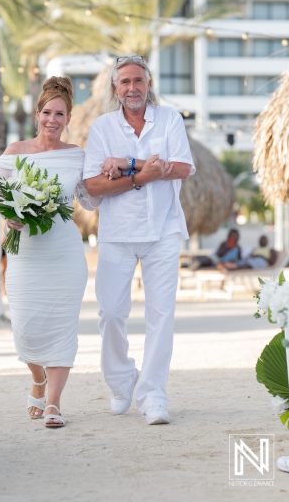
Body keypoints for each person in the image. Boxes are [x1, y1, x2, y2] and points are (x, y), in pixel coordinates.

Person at [83, 54, 195, 426]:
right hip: (117, 233)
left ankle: (153, 396)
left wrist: (127, 164)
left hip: (163, 230)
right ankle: (121, 382)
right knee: (111, 313)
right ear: (116, 89)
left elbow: (182, 167)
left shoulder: (170, 118)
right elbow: (94, 184)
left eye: (139, 81)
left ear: (149, 85)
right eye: (125, 82)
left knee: (161, 316)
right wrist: (145, 169)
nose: (133, 88)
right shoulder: (102, 127)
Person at [0, 76, 100, 428]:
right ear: (37, 114)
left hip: (64, 253)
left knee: (62, 326)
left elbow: (88, 199)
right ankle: (37, 378)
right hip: (25, 252)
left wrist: (108, 173)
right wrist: (11, 220)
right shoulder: (13, 152)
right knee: (25, 328)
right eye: (47, 113)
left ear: (68, 119)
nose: (53, 120)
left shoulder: (77, 155)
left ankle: (53, 401)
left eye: (60, 114)